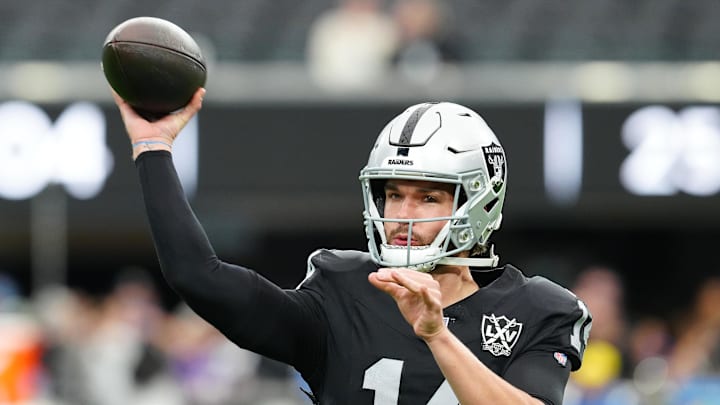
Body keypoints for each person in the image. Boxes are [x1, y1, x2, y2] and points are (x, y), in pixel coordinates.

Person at [112, 88, 592, 405]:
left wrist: (436, 334)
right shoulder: (342, 289)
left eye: (427, 197)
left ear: (479, 201)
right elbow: (200, 276)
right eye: (393, 194)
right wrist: (153, 149)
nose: (402, 215)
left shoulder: (538, 308)